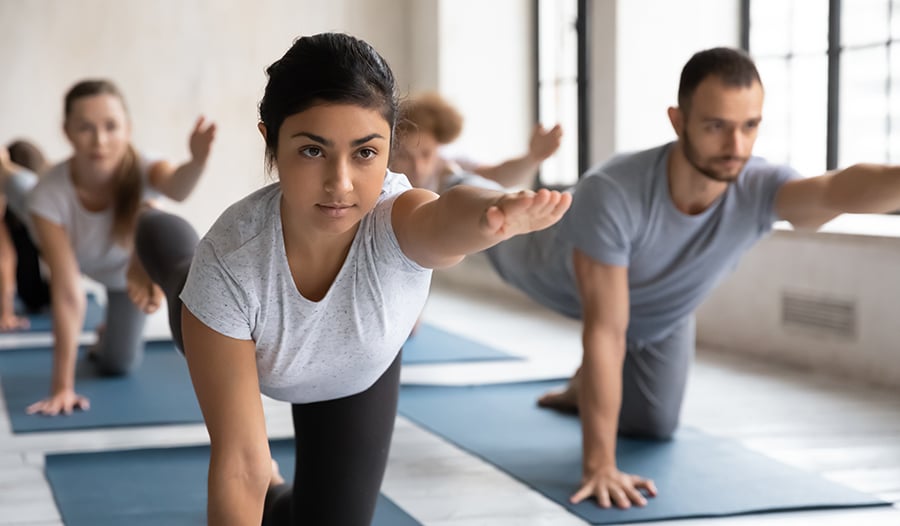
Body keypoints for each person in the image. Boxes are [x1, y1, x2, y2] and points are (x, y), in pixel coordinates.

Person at [132, 32, 571, 525]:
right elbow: (240, 468)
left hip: (355, 372)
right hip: (229, 324)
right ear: (271, 140)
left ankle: (284, 496)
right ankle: (145, 223)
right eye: (313, 151)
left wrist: (494, 213)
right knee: (178, 272)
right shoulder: (229, 262)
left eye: (365, 153)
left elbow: (446, 216)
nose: (341, 184)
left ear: (389, 147)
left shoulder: (396, 217)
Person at [483, 46, 900, 510]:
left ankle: (580, 389)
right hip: (544, 261)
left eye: (749, 126)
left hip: (661, 317)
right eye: (716, 125)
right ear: (678, 121)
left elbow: (841, 188)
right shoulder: (614, 191)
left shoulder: (761, 187)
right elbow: (605, 332)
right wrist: (600, 464)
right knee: (477, 212)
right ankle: (452, 177)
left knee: (656, 425)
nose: (735, 146)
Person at [0, 79, 216, 416]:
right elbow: (68, 290)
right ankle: (4, 166)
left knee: (118, 364)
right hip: (54, 220)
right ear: (67, 131)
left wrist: (197, 162)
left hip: (122, 275)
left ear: (128, 129)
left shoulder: (146, 167)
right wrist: (62, 386)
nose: (100, 140)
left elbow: (177, 188)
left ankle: (109, 332)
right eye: (85, 127)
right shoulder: (49, 195)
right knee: (25, 191)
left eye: (111, 127)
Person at [391, 91, 563, 192]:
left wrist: (532, 158)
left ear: (438, 146)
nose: (418, 167)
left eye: (426, 154)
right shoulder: (384, 180)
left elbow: (498, 176)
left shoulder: (449, 166)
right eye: (404, 156)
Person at [0, 139, 51, 330]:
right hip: (28, 290)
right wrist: (6, 314)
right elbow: (5, 259)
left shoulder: (41, 200)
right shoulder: (5, 209)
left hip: (41, 290)